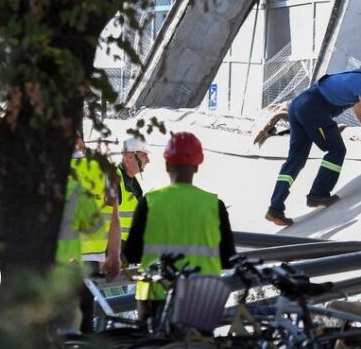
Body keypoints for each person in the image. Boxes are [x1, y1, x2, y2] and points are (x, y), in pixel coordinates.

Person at [266, 56, 361, 226]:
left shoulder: (351, 78)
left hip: (297, 106)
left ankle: (275, 209)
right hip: (313, 109)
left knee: (296, 160)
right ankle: (318, 194)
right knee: (337, 150)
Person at [124, 131, 236, 323]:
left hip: (154, 295)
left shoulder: (149, 202)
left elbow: (132, 253)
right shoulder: (214, 205)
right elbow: (228, 259)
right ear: (197, 167)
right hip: (202, 297)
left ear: (167, 165)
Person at [70, 133, 121, 333]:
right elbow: (113, 219)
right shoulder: (103, 172)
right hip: (92, 259)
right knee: (86, 320)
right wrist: (114, 256)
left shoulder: (52, 171)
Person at [116, 137, 149, 241]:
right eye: (144, 155)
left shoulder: (133, 182)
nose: (148, 160)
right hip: (114, 251)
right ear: (130, 156)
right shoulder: (114, 180)